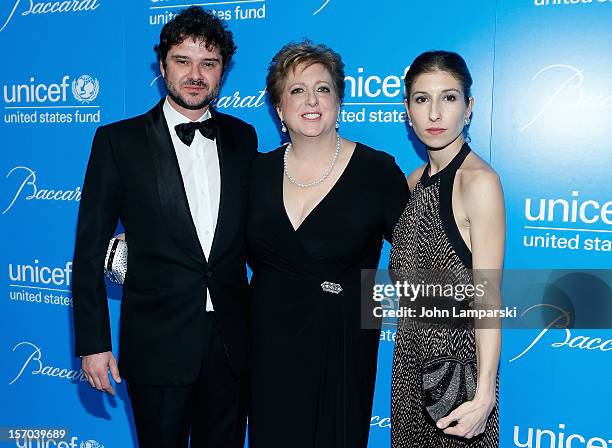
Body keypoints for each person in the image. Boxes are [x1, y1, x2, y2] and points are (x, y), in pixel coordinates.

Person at [71, 7, 257, 448]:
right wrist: (93, 343)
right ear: (162, 65)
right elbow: (88, 247)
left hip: (232, 345)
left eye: (208, 64)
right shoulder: (118, 141)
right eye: (183, 61)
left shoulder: (243, 137)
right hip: (157, 343)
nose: (195, 74)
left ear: (222, 72)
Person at [246, 41, 410, 447]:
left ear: (339, 101)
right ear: (279, 109)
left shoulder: (377, 170)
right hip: (268, 342)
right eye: (297, 90)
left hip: (344, 340)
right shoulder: (255, 172)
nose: (311, 100)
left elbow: (417, 254)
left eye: (323, 88)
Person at [390, 51, 503, 446]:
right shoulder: (412, 182)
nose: (435, 114)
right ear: (407, 110)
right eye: (422, 99)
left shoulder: (479, 183)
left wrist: (485, 393)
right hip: (408, 359)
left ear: (468, 108)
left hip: (459, 371)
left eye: (449, 98)